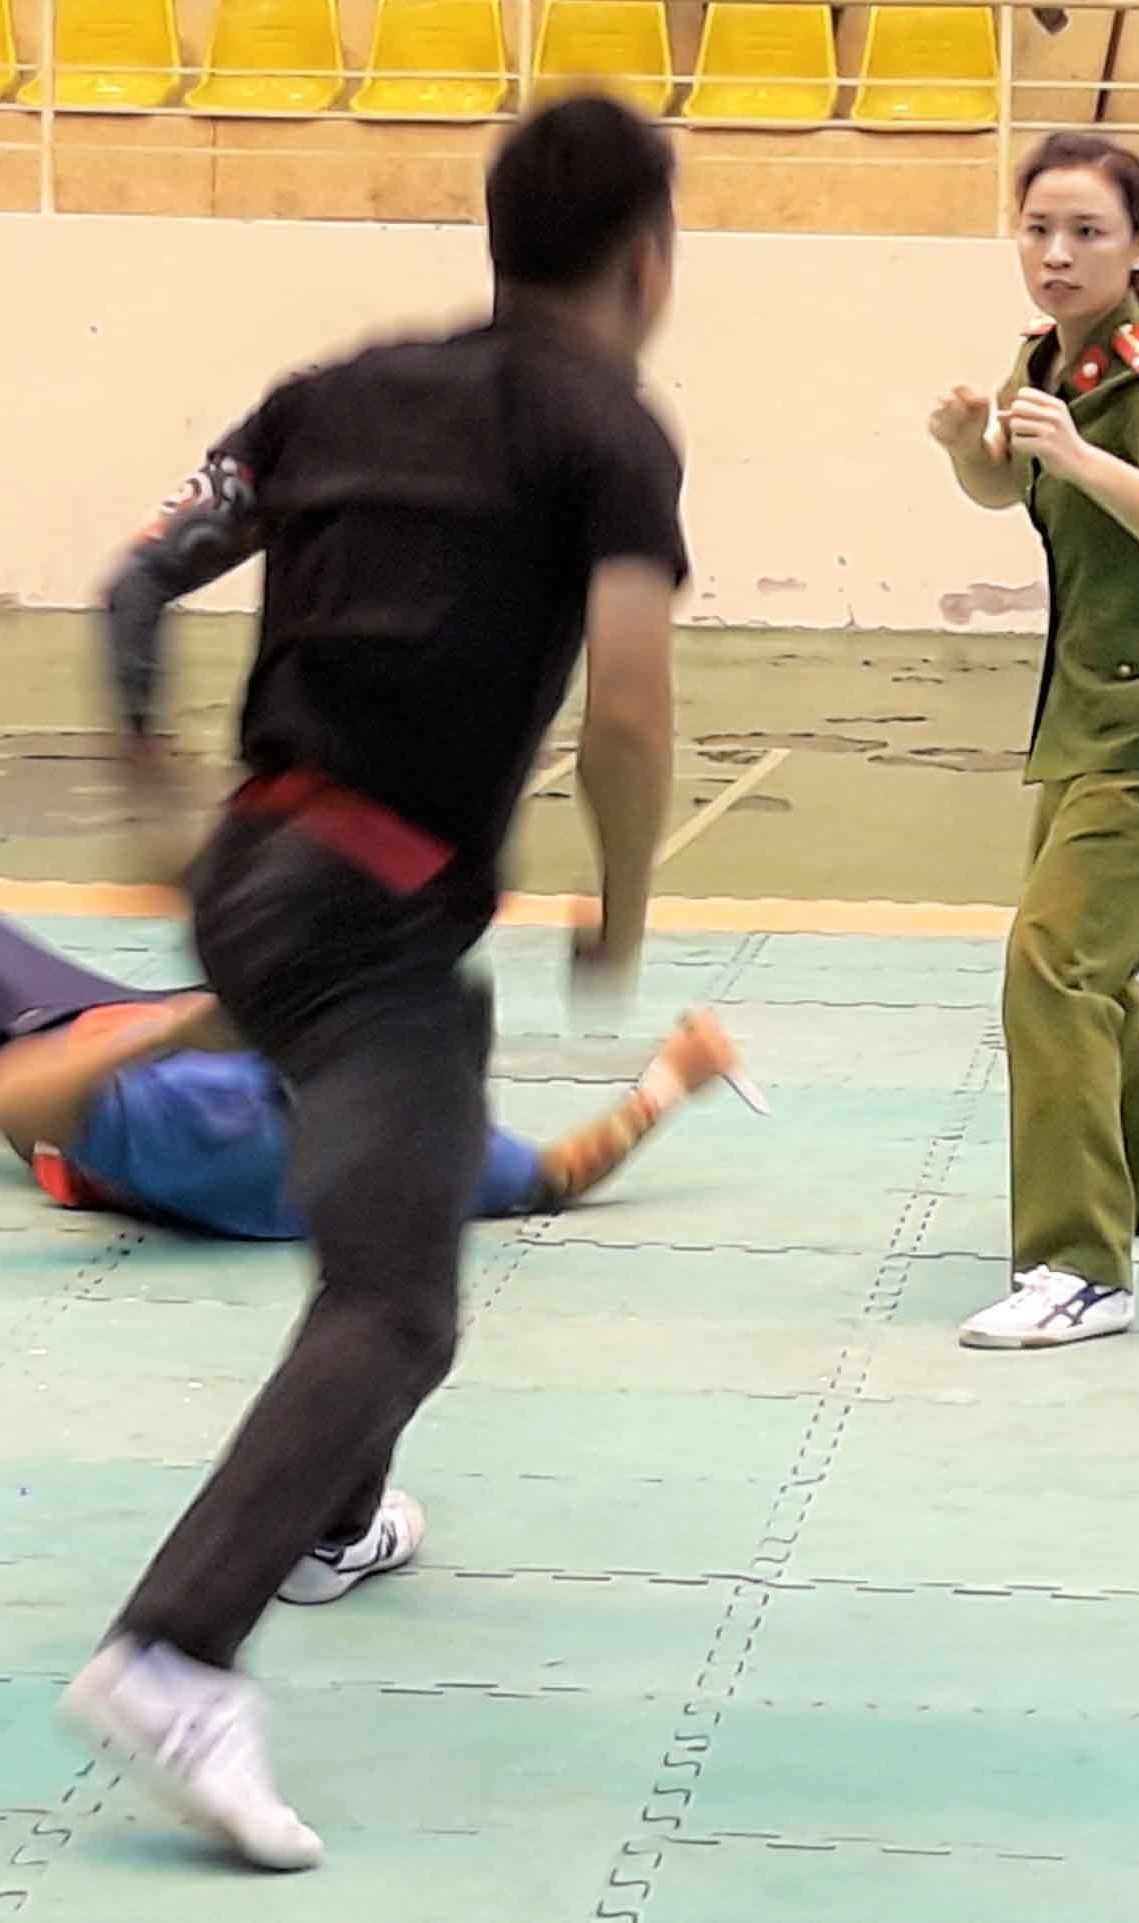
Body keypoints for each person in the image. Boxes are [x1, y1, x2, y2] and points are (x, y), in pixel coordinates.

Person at [57, 96, 691, 1869]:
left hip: (246, 885)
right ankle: (174, 1651)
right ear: (649, 262)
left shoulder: (325, 397)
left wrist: (145, 794)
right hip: (366, 925)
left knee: (390, 1186)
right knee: (400, 1304)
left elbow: (133, 588)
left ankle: (332, 1518)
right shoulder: (610, 432)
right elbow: (628, 713)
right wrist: (624, 903)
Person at [923, 133, 1139, 1351]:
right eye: (1038, 230)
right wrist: (970, 443)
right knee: (1088, 956)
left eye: (1086, 233)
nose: (1056, 255)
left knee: (1051, 962)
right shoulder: (1044, 356)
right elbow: (1009, 488)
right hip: (1089, 707)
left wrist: (1078, 451)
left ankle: (1079, 1267)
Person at [0, 863, 760, 1239]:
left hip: (68, 1058)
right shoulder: (428, 1146)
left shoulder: (208, 1120)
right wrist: (668, 1083)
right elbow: (557, 1174)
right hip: (188, 1045)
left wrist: (170, 1032)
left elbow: (9, 1101)